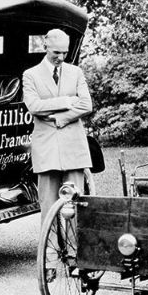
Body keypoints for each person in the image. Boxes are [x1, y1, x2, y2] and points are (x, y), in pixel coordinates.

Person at [22, 28, 93, 222]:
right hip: (46, 147)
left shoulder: (76, 72)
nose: (61, 57)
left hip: (73, 145)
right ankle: (50, 252)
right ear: (45, 46)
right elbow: (34, 106)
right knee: (48, 204)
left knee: (74, 202)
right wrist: (67, 101)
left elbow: (87, 104)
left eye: (65, 52)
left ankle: (73, 251)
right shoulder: (30, 75)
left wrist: (58, 118)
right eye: (56, 52)